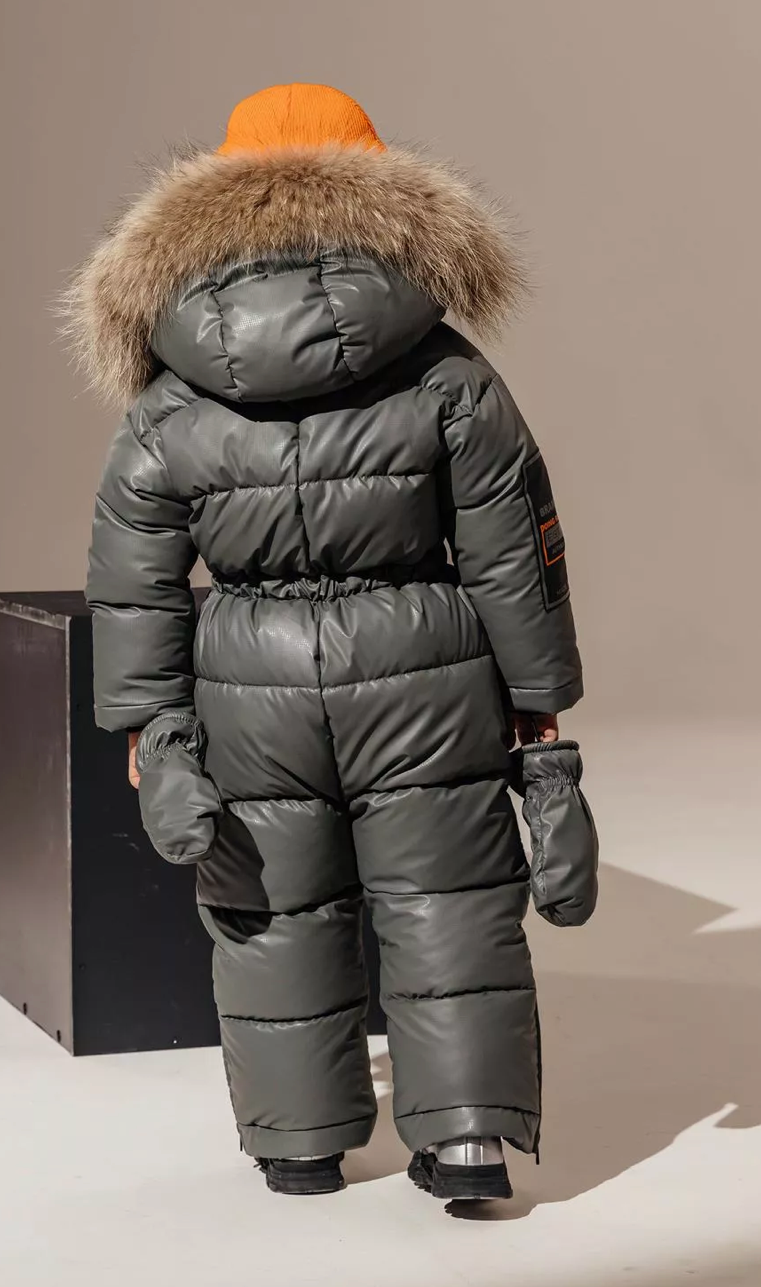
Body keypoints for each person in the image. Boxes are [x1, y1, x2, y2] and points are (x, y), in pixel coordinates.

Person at [65, 83, 584, 1201]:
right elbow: (511, 549)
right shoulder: (443, 367)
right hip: (425, 671)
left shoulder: (169, 395)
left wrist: (151, 724)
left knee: (271, 907)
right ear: (382, 188)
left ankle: (298, 1143)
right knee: (448, 899)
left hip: (248, 684)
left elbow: (134, 575)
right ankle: (466, 1139)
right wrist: (540, 707)